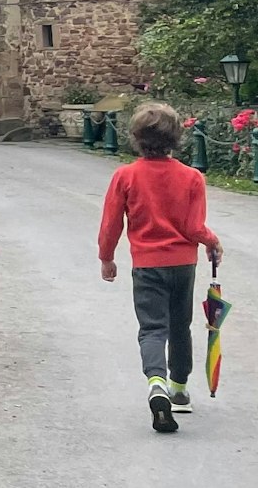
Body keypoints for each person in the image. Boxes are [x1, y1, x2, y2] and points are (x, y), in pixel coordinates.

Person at [98, 101, 223, 434]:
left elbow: (111, 223)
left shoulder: (125, 176)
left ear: (137, 138)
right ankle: (179, 389)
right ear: (176, 138)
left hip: (147, 265)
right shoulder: (192, 178)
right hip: (183, 264)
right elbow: (194, 227)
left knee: (153, 329)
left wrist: (106, 257)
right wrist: (211, 241)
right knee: (181, 326)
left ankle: (156, 383)